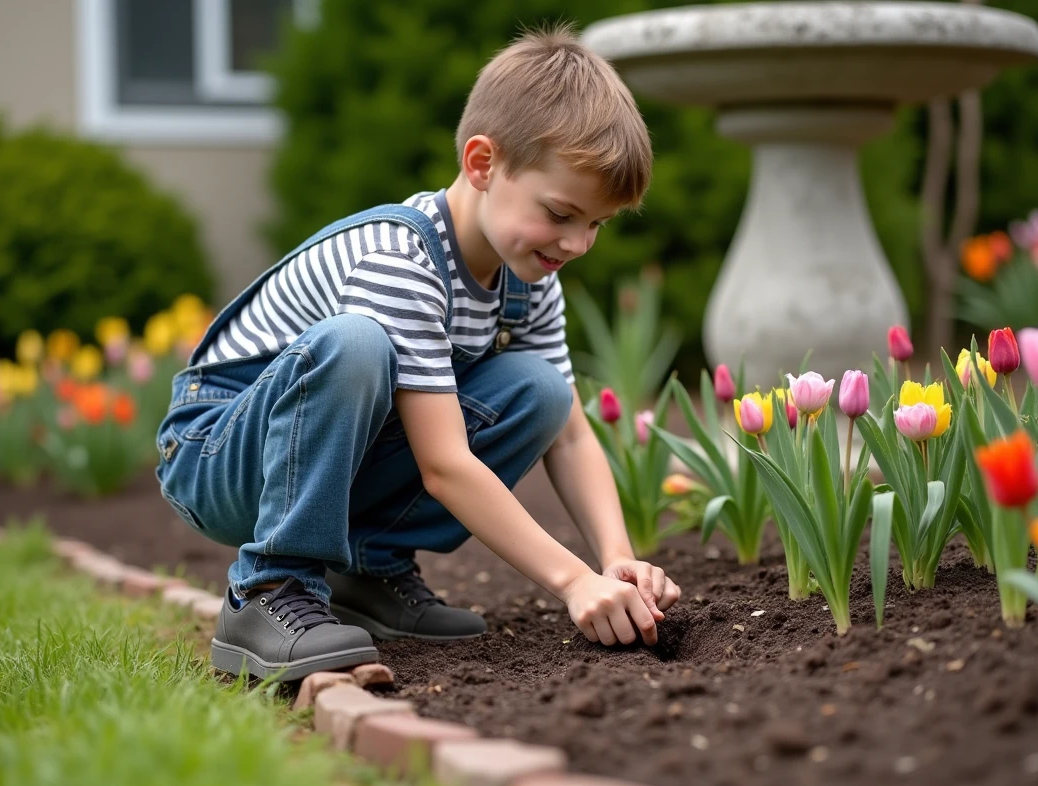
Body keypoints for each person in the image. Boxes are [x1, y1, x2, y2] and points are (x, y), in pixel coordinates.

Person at [155, 24, 681, 680]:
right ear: (483, 164)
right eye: (561, 213)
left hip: (306, 456)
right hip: (219, 452)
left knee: (539, 390)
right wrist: (573, 582)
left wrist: (615, 558)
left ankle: (367, 573)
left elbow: (570, 438)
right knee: (356, 344)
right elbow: (443, 465)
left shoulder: (529, 273)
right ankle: (267, 590)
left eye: (595, 225)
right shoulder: (399, 259)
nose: (576, 244)